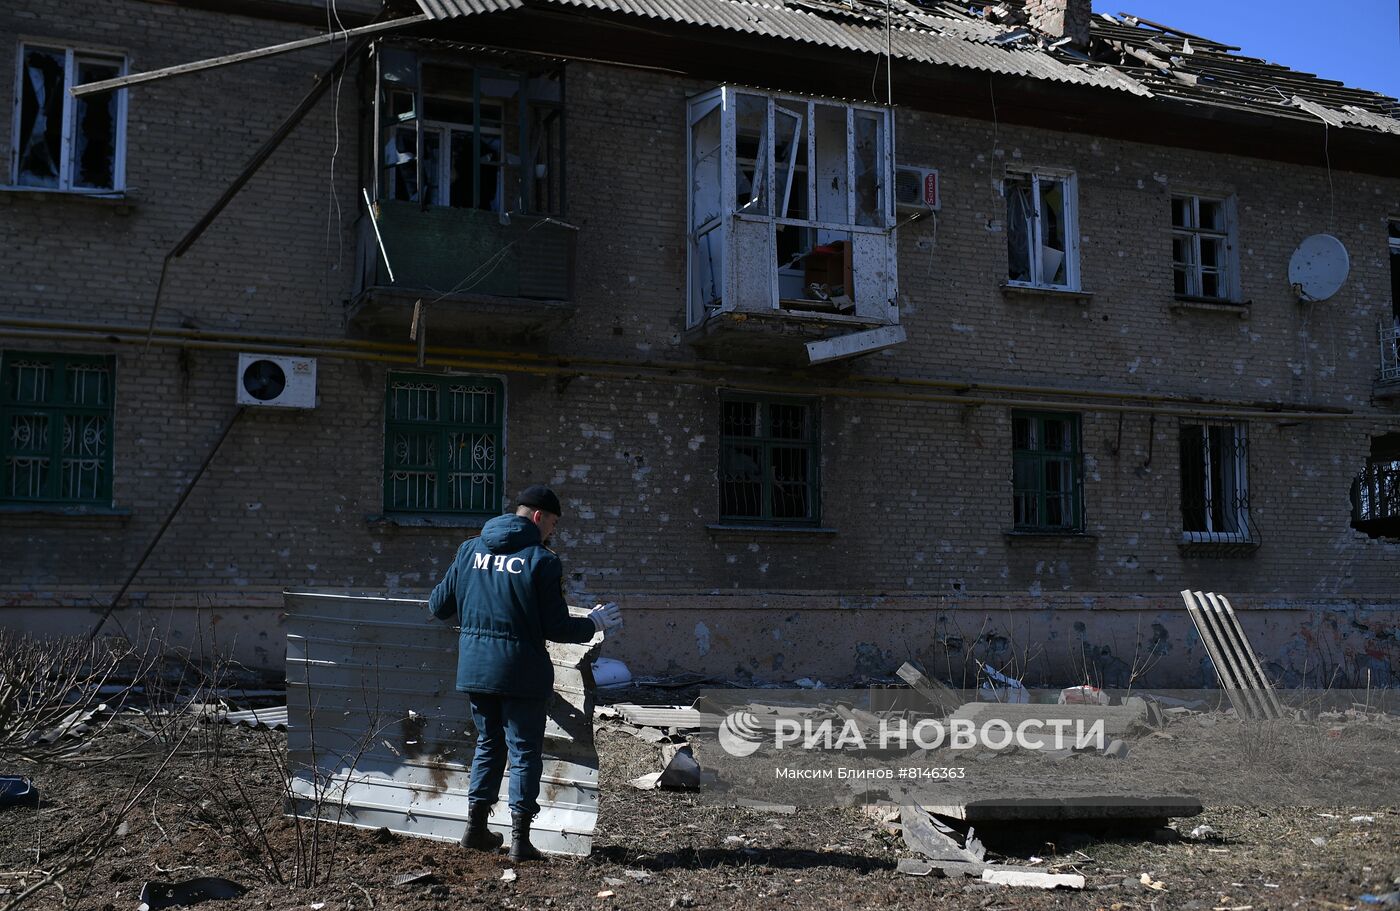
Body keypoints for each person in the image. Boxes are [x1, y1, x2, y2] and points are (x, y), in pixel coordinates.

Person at [428, 485, 623, 861]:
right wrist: (593, 623)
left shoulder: (469, 550)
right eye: (552, 524)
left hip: (475, 670)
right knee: (524, 751)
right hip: (522, 673)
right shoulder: (541, 561)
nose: (552, 532)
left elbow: (438, 606)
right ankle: (520, 840)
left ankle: (475, 828)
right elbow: (557, 627)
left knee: (488, 744)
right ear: (538, 517)